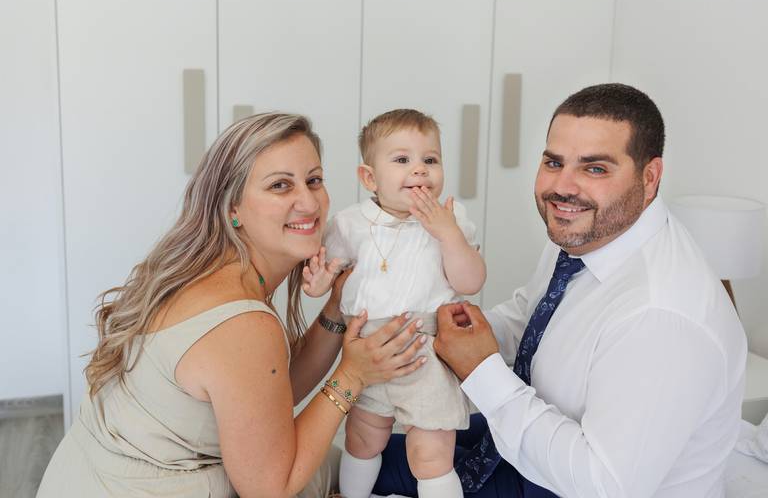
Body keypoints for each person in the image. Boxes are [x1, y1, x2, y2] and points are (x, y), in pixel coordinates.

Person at [374, 83, 748, 498]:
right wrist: (434, 332)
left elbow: (602, 484)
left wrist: (480, 370)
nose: (563, 187)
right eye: (554, 162)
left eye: (595, 169)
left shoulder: (662, 316)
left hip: (572, 484)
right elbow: (532, 317)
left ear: (650, 177)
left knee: (384, 469)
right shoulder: (590, 233)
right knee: (370, 449)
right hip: (538, 437)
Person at [36, 113, 429, 498]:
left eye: (313, 180)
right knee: (397, 465)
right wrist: (352, 375)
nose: (309, 202)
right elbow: (271, 489)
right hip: (151, 487)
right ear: (232, 209)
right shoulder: (242, 324)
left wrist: (337, 307)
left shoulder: (198, 269)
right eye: (280, 186)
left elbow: (267, 393)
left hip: (83, 478)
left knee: (378, 457)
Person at [302, 109, 486, 498]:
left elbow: (471, 282)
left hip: (427, 351)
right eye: (402, 160)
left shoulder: (450, 217)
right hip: (366, 350)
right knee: (362, 438)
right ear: (370, 178)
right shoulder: (351, 223)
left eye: (430, 160)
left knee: (430, 454)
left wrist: (449, 235)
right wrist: (318, 283)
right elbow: (328, 276)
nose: (419, 170)